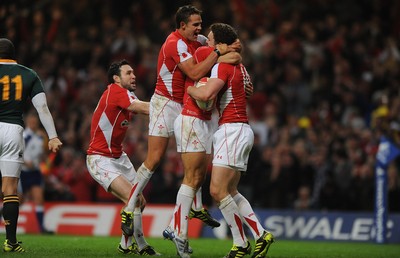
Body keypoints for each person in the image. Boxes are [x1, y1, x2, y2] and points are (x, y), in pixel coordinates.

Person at [123, 4, 239, 244]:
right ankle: (129, 206)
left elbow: (235, 53)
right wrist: (218, 52)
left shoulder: (196, 42)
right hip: (165, 103)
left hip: (186, 106)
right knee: (154, 158)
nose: (199, 28)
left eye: (200, 24)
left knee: (195, 160)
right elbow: (196, 73)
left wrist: (227, 51)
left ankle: (195, 206)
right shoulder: (174, 42)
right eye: (195, 24)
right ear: (182, 25)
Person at [187, 23, 275, 258]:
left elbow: (206, 94)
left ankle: (241, 242)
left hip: (233, 130)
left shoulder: (223, 66)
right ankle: (260, 234)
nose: (207, 41)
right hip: (239, 129)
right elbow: (247, 89)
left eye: (211, 38)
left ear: (221, 44)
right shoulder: (239, 65)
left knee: (216, 190)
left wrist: (191, 90)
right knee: (231, 190)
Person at [163, 24, 243, 257]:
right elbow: (235, 54)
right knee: (191, 178)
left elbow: (236, 55)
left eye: (210, 38)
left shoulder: (212, 56)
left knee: (197, 179)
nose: (206, 41)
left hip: (204, 121)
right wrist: (224, 49)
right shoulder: (202, 54)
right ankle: (176, 229)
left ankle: (177, 229)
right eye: (207, 39)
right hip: (190, 119)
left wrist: (228, 49)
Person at [86, 59, 160, 256]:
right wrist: (172, 107)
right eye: (128, 73)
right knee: (132, 199)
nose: (134, 76)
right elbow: (144, 109)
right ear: (116, 78)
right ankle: (140, 245)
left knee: (140, 202)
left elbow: (143, 109)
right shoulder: (114, 91)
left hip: (119, 157)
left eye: (134, 72)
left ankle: (125, 245)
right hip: (100, 158)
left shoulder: (127, 94)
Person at [0, 38, 63, 252]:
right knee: (9, 189)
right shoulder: (29, 74)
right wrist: (53, 136)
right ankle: (10, 242)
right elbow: (42, 108)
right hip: (13, 131)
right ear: (14, 54)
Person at [19, 112, 52, 233]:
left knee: (39, 198)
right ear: (27, 122)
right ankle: (3, 213)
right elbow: (16, 152)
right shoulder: (22, 136)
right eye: (31, 122)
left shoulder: (41, 137)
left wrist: (45, 159)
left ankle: (42, 228)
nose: (33, 124)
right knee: (19, 200)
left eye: (35, 122)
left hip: (36, 172)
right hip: (23, 172)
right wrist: (26, 163)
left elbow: (43, 153)